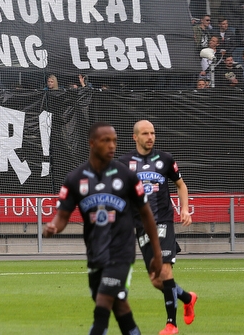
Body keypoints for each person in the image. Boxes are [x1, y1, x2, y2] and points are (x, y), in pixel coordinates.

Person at [45, 122, 162, 335]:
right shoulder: (75, 179)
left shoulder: (126, 176)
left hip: (121, 253)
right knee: (120, 307)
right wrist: (53, 226)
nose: (112, 146)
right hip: (96, 253)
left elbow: (146, 215)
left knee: (102, 305)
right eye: (105, 140)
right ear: (91, 143)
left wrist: (157, 253)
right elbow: (62, 216)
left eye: (114, 141)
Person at [120, 120, 198, 334]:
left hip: (163, 221)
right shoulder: (124, 163)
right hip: (141, 226)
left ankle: (171, 324)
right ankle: (187, 298)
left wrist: (184, 209)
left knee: (165, 270)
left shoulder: (165, 159)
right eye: (145, 133)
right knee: (156, 280)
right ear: (135, 137)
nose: (150, 137)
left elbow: (181, 185)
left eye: (153, 133)